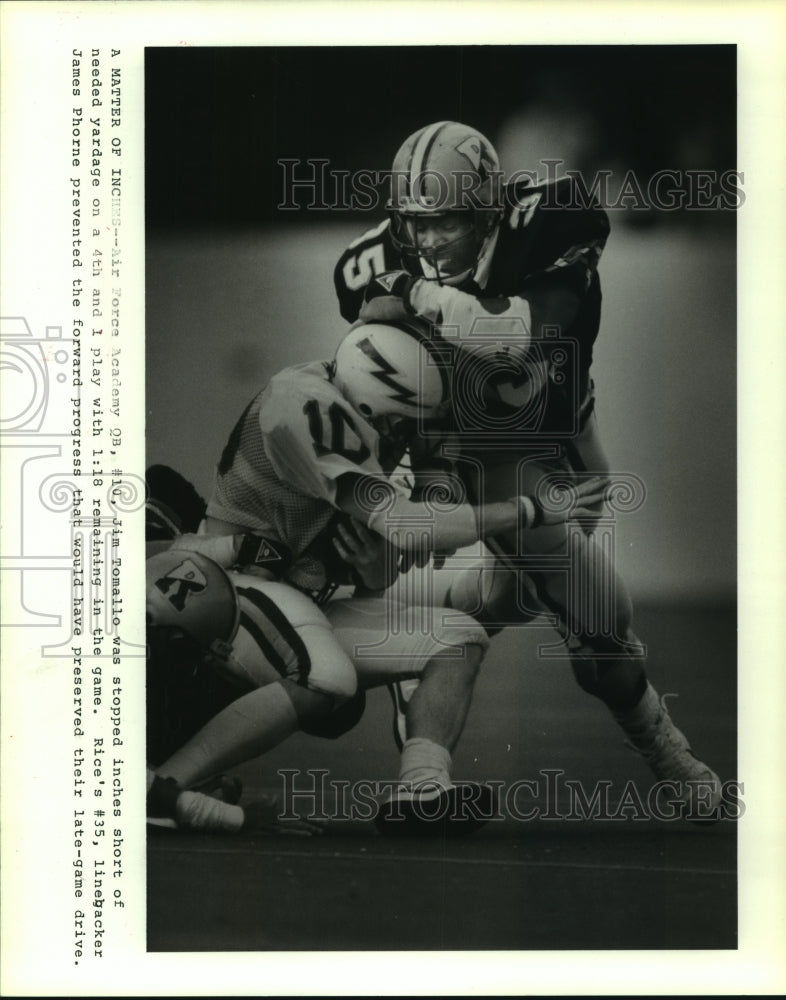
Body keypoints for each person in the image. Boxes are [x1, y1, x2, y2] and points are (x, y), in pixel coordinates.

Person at [332, 121, 721, 817]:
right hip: (465, 458)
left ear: (485, 207)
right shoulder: (369, 260)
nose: (425, 241)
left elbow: (520, 337)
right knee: (564, 611)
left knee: (598, 645)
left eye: (445, 221)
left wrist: (417, 298)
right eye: (413, 223)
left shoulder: (556, 218)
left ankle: (650, 734)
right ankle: (664, 753)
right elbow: (375, 381)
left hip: (564, 454)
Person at [187, 319, 605, 832]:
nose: (404, 438)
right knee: (328, 678)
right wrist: (529, 509)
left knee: (459, 637)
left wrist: (374, 566)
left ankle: (421, 788)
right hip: (234, 596)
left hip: (294, 604)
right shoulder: (300, 406)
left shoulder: (353, 400)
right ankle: (172, 783)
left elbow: (379, 565)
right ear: (366, 407)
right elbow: (408, 528)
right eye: (398, 424)